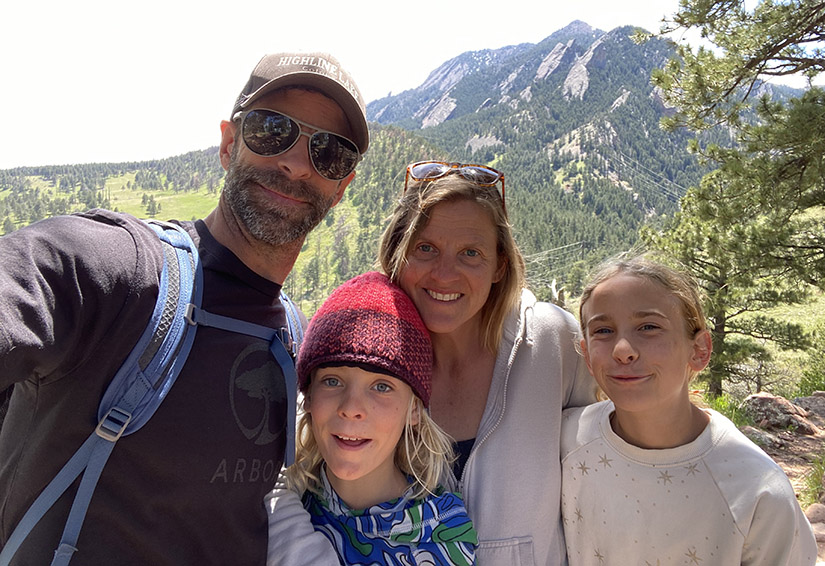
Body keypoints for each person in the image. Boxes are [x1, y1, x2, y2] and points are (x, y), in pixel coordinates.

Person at [0, 51, 369, 565]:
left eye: (329, 153)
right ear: (228, 144)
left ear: (342, 187)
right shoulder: (119, 271)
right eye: (272, 130)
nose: (297, 164)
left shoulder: (293, 338)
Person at [379, 161, 597, 565]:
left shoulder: (554, 343)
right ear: (397, 254)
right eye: (425, 248)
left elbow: (609, 469)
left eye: (470, 253)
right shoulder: (372, 358)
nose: (445, 274)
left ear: (499, 265)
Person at [561, 254, 818, 566]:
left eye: (648, 327)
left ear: (699, 350)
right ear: (587, 355)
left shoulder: (756, 489)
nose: (623, 350)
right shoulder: (566, 443)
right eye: (603, 331)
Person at [267, 270, 477, 565]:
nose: (351, 407)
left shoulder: (443, 533)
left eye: (381, 387)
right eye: (332, 381)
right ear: (309, 396)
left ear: (414, 409)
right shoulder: (274, 500)